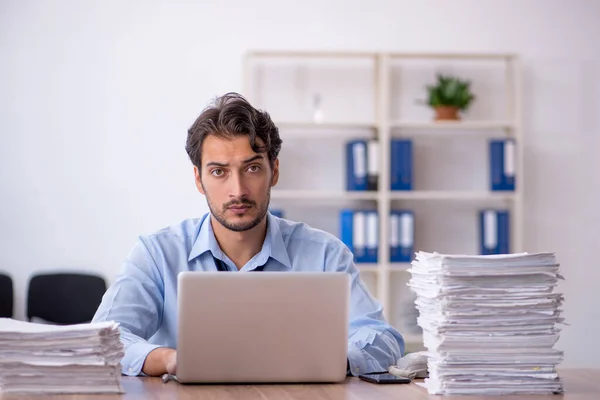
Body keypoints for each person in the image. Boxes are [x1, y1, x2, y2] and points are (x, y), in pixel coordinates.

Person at [92, 92, 405, 377]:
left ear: (275, 171)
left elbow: (382, 338)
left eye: (252, 168)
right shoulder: (157, 254)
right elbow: (103, 338)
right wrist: (170, 359)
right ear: (199, 180)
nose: (238, 190)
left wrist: (332, 358)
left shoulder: (324, 254)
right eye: (219, 172)